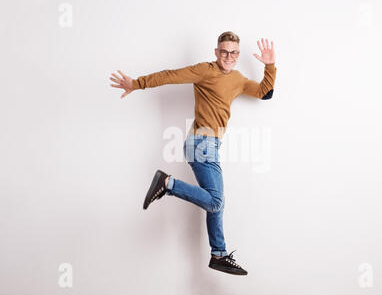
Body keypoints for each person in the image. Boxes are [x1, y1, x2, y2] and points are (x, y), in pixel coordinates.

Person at [109, 31, 276, 275]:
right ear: (216, 52)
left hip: (210, 145)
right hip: (201, 142)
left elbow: (265, 92)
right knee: (217, 201)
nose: (228, 57)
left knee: (216, 203)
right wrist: (136, 83)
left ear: (237, 55)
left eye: (233, 53)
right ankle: (168, 183)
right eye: (223, 52)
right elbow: (171, 76)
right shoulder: (205, 70)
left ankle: (218, 254)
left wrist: (270, 65)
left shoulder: (238, 79)